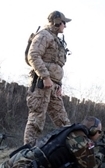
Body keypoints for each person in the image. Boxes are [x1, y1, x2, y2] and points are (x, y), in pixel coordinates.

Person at [23, 11, 72, 146]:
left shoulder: (56, 39)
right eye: (64, 23)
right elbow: (33, 55)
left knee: (63, 121)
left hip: (53, 86)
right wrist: (45, 77)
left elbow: (56, 66)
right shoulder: (44, 35)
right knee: (36, 119)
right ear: (57, 21)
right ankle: (27, 153)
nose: (65, 26)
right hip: (41, 84)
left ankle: (71, 149)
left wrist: (59, 84)